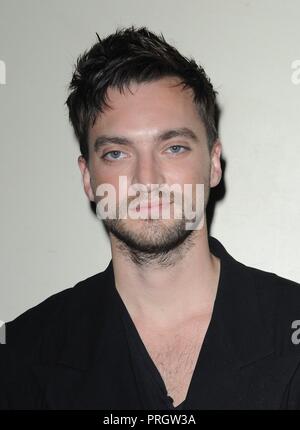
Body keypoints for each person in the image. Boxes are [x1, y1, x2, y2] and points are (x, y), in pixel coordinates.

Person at [2, 26, 300, 410]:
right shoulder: (23, 354)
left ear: (212, 164)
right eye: (116, 153)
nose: (147, 179)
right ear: (88, 178)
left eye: (173, 147)